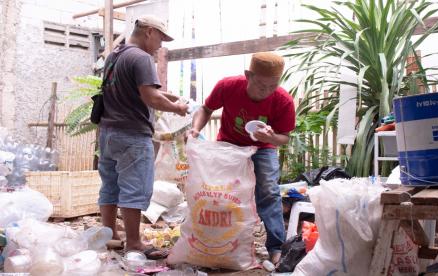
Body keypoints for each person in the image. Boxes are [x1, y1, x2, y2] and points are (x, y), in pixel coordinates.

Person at [190, 52, 296, 264]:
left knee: (268, 191)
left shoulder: (283, 100)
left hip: (263, 147)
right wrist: (194, 129)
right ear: (248, 75)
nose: (266, 92)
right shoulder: (228, 86)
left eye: (272, 86)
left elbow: (284, 138)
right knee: (219, 192)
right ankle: (214, 241)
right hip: (228, 145)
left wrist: (271, 136)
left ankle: (276, 247)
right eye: (261, 85)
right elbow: (206, 108)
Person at [97, 15, 188, 258]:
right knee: (134, 188)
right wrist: (179, 109)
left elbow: (140, 90)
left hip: (108, 133)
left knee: (110, 185)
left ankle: (111, 236)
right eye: (160, 37)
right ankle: (134, 243)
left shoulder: (115, 56)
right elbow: (151, 97)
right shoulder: (142, 58)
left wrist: (167, 97)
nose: (161, 44)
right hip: (131, 134)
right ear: (149, 32)